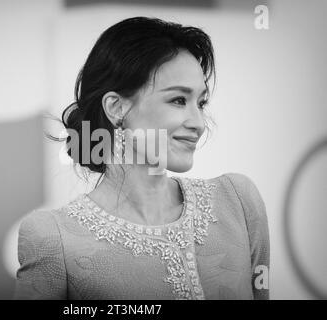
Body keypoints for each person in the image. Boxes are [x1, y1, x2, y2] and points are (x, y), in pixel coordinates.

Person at [14, 16, 269, 300]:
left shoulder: (237, 201)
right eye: (178, 100)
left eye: (201, 102)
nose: (198, 122)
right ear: (116, 107)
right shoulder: (53, 237)